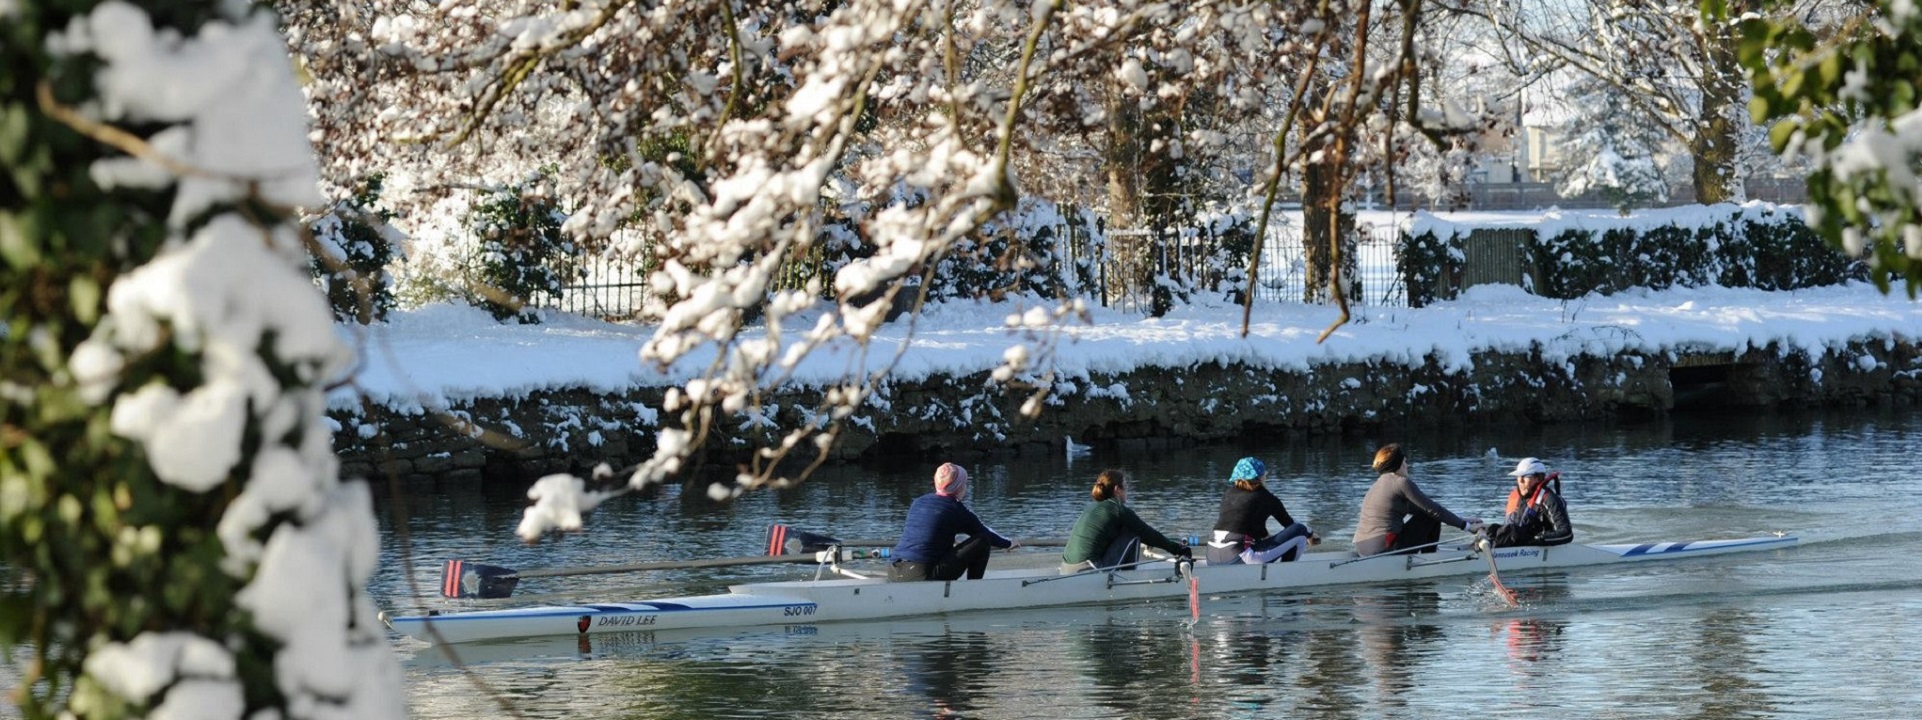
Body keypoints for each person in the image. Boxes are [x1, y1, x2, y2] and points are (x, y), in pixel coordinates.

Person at [888, 463, 1019, 582]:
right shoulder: (956, 509)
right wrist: (1008, 543)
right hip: (923, 575)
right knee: (983, 540)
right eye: (965, 484)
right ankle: (974, 589)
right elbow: (986, 533)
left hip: (894, 570)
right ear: (959, 488)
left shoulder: (918, 502)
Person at [1351, 443, 1482, 557]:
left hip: (1362, 548)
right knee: (1431, 515)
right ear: (1399, 464)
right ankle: (1430, 559)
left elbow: (1420, 510)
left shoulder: (1376, 485)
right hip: (1383, 550)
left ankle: (1429, 554)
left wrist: (1461, 519)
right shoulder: (1401, 483)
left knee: (1430, 513)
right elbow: (1433, 511)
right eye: (1405, 462)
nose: (1407, 465)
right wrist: (1468, 527)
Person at [1060, 469, 1192, 573]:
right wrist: (1178, 549)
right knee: (1134, 534)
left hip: (1065, 570)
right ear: (1117, 489)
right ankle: (1128, 579)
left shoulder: (1091, 507)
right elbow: (1148, 534)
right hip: (1090, 570)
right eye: (1126, 486)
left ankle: (1118, 574)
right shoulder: (1118, 509)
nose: (1127, 491)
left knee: (1127, 530)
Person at [1206, 457, 1320, 564]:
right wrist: (1310, 534)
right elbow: (1289, 524)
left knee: (1260, 540)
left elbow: (1245, 523)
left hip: (1211, 558)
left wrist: (1266, 536)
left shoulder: (1228, 493)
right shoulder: (1265, 497)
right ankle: (1286, 572)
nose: (1266, 475)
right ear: (1259, 477)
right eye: (1264, 473)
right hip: (1240, 557)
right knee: (1300, 530)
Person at [1480, 457, 1573, 548]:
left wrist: (1537, 539)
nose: (1520, 481)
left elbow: (1566, 534)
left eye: (1525, 476)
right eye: (1518, 476)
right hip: (1517, 541)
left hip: (1539, 545)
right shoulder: (1516, 496)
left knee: (1513, 532)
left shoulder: (1549, 498)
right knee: (1492, 530)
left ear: (1538, 478)